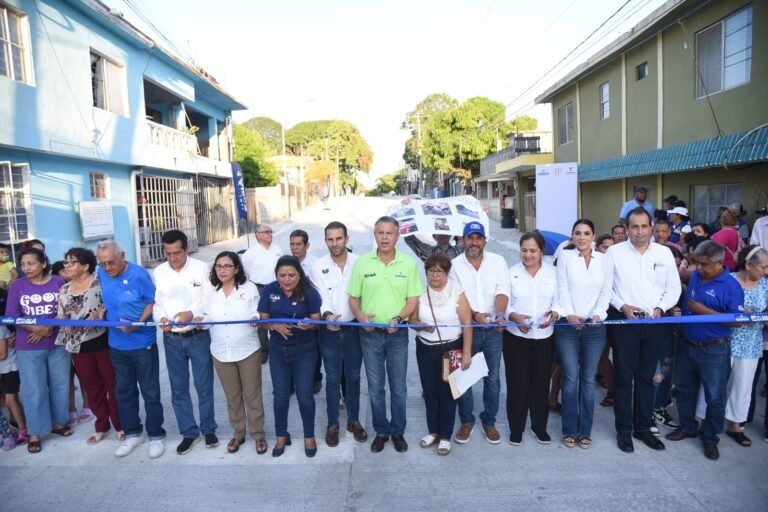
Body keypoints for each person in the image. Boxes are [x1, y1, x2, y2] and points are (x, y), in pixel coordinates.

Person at [606, 207, 681, 454]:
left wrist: (661, 308)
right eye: (634, 227)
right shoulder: (614, 253)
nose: (639, 232)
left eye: (643, 226)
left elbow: (673, 288)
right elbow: (606, 289)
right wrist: (623, 306)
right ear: (626, 229)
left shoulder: (664, 253)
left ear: (651, 228)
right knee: (624, 379)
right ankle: (624, 431)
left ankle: (643, 428)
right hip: (624, 324)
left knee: (647, 378)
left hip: (655, 324)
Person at [348, 216, 422, 453]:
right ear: (375, 235)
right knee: (376, 387)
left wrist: (399, 318)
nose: (385, 237)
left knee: (398, 387)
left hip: (397, 335)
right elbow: (353, 297)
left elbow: (413, 300)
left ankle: (398, 431)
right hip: (369, 335)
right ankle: (381, 431)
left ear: (397, 236)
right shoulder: (362, 263)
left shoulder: (408, 264)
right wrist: (359, 316)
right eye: (380, 233)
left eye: (390, 233)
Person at [666, 241, 744, 461]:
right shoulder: (696, 275)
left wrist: (703, 311)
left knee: (714, 397)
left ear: (719, 263)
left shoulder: (731, 286)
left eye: (704, 264)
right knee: (683, 389)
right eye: (697, 263)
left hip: (714, 349)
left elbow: (737, 322)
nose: (698, 268)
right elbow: (680, 277)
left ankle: (710, 438)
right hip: (687, 344)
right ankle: (688, 426)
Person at [97, 240, 166, 459]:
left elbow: (151, 302)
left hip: (142, 343)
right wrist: (102, 310)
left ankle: (156, 435)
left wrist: (138, 323)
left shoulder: (140, 275)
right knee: (123, 392)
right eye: (103, 263)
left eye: (111, 262)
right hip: (116, 345)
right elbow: (108, 297)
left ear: (122, 256)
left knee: (150, 391)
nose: (108, 268)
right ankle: (133, 434)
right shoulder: (101, 272)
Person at [153, 230, 218, 454]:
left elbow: (209, 300)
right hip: (171, 339)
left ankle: (209, 429)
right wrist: (160, 318)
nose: (172, 258)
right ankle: (189, 432)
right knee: (178, 388)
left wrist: (192, 313)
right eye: (168, 253)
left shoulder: (202, 269)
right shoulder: (159, 272)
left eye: (177, 253)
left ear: (186, 249)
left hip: (197, 336)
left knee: (204, 385)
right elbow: (157, 303)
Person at [196, 251, 267, 455]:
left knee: (252, 395)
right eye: (219, 266)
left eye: (227, 266)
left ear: (236, 268)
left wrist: (255, 317)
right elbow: (206, 317)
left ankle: (258, 434)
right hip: (221, 353)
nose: (222, 270)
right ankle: (238, 433)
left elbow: (257, 310)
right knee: (232, 396)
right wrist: (201, 322)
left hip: (247, 351)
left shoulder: (249, 288)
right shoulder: (212, 295)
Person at [448, 221, 510, 445]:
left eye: (478, 238)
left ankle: (489, 421)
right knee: (464, 376)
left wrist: (500, 314)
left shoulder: (498, 261)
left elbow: (502, 290)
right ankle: (466, 421)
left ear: (484, 240)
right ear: (462, 240)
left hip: (494, 330)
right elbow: (457, 298)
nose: (474, 242)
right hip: (467, 329)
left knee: (492, 378)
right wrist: (475, 316)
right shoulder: (454, 265)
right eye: (470, 238)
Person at [554, 220, 612, 449]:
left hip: (595, 329)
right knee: (570, 378)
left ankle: (585, 431)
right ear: (572, 236)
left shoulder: (605, 260)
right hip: (567, 327)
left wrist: (597, 315)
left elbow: (606, 292)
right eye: (577, 233)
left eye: (586, 233)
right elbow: (562, 289)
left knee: (588, 380)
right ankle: (569, 429)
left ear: (593, 236)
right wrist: (569, 315)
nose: (582, 237)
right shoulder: (565, 257)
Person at [56, 247, 123, 445]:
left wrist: (101, 311)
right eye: (66, 261)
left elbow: (112, 304)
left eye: (72, 262)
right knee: (93, 389)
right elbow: (61, 314)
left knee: (113, 386)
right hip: (78, 346)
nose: (67, 265)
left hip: (103, 342)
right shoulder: (64, 289)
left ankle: (120, 425)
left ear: (85, 266)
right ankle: (101, 426)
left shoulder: (100, 283)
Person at [310, 221, 368, 447]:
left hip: (354, 330)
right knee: (333, 378)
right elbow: (320, 296)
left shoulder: (360, 263)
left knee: (353, 377)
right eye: (330, 239)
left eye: (338, 238)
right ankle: (332, 423)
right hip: (329, 332)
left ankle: (353, 421)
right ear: (325, 241)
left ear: (347, 239)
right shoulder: (318, 266)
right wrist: (326, 315)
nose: (334, 243)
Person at [258, 256, 322, 458]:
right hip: (278, 351)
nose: (287, 279)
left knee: (304, 395)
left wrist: (309, 324)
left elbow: (316, 321)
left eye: (291, 275)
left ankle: (309, 436)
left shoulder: (309, 291)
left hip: (304, 351)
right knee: (280, 396)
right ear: (276, 275)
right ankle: (281, 435)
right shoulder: (270, 290)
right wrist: (274, 325)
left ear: (299, 274)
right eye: (282, 275)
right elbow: (263, 319)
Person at [6, 247, 68, 453]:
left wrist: (47, 328)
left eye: (31, 263)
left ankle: (59, 423)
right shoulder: (18, 285)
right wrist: (35, 328)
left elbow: (66, 310)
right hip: (28, 346)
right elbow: (12, 315)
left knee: (59, 385)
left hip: (57, 343)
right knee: (34, 390)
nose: (26, 268)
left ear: (43, 263)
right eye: (23, 265)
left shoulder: (59, 282)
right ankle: (35, 432)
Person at [410, 253, 472, 456]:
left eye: (439, 271)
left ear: (447, 273)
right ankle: (433, 431)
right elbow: (412, 321)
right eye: (431, 270)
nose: (435, 275)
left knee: (447, 392)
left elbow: (467, 324)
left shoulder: (456, 293)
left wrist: (467, 353)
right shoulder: (419, 293)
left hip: (450, 349)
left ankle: (445, 435)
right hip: (425, 348)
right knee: (429, 391)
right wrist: (420, 327)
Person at [504, 232, 559, 446]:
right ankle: (516, 429)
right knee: (517, 385)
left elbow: (559, 300)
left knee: (540, 384)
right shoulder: (511, 273)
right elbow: (503, 302)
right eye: (524, 250)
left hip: (544, 336)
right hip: (516, 337)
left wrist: (554, 314)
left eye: (533, 251)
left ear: (541, 252)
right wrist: (514, 317)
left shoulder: (553, 274)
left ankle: (539, 427)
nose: (528, 255)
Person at [723, 246, 768, 447]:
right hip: (724, 340)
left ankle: (735, 425)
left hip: (750, 342)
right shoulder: (729, 281)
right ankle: (705, 422)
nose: (766, 272)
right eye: (763, 267)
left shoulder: (766, 286)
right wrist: (739, 312)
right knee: (714, 384)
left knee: (743, 385)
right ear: (749, 265)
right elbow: (717, 306)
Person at [241, 224, 283, 363]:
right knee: (261, 319)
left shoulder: (278, 250)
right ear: (257, 235)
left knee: (278, 316)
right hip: (258, 288)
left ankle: (279, 347)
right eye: (266, 232)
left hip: (277, 288)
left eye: (271, 232)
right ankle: (264, 350)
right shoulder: (250, 253)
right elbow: (245, 273)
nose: (269, 234)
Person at [290, 229, 323, 395]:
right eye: (292, 244)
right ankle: (291, 381)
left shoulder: (315, 264)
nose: (295, 248)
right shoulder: (286, 262)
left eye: (298, 244)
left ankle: (315, 379)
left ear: (307, 245)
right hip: (290, 312)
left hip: (310, 312)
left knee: (314, 349)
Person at [595, 234, 616, 407]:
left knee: (603, 356)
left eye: (611, 248)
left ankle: (612, 391)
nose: (608, 251)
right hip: (594, 317)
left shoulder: (615, 265)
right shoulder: (593, 265)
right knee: (600, 357)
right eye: (604, 247)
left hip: (613, 316)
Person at [0, 325, 28, 448]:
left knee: (11, 401)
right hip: (3, 370)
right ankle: (18, 427)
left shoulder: (1, 329)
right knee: (7, 402)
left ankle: (23, 431)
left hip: (11, 369)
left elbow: (2, 354)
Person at [711, 207, 742, 271]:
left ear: (722, 219)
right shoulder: (735, 231)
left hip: (724, 267)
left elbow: (716, 252)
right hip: (732, 265)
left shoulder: (725, 233)